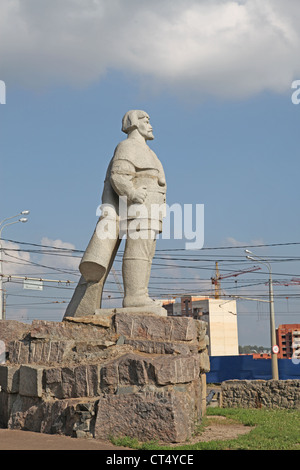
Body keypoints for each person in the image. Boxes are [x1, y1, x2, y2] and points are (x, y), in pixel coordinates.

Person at [64, 110, 166, 317]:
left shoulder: (148, 151)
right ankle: (135, 296)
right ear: (134, 124)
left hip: (151, 209)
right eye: (146, 121)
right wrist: (133, 193)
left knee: (146, 253)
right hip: (136, 207)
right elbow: (118, 176)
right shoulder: (127, 146)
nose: (151, 125)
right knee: (137, 251)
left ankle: (140, 294)